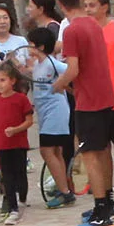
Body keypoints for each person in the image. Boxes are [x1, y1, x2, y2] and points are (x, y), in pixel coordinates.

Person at [58, 0, 114, 226]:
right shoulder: (95, 25)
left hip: (89, 104)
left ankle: (100, 211)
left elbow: (73, 69)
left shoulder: (72, 30)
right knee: (104, 152)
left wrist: (59, 83)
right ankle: (108, 202)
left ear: (61, 5)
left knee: (91, 156)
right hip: (106, 97)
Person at [27, 25, 76, 207]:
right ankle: (64, 188)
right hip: (45, 114)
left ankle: (64, 191)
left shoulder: (51, 62)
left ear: (40, 47)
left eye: (30, 44)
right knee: (56, 151)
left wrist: (64, 85)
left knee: (46, 150)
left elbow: (72, 70)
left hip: (56, 111)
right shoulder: (38, 65)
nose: (27, 48)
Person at [0, 58, 36, 225]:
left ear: (12, 80)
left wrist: (16, 130)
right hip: (2, 145)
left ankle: (21, 199)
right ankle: (12, 208)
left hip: (18, 144)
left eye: (3, 80)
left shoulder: (21, 99)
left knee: (20, 174)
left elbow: (29, 121)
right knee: (6, 177)